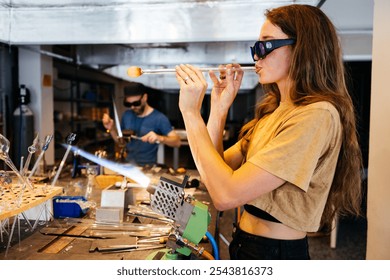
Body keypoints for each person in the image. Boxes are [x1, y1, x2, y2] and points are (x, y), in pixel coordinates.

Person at [175, 4, 363, 260]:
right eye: (256, 48)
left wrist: (190, 114)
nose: (256, 57)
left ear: (302, 48)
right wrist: (218, 111)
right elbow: (215, 175)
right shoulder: (275, 112)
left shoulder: (316, 115)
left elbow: (225, 196)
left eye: (265, 46)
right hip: (245, 242)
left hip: (275, 253)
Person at [102, 82, 180, 166]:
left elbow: (177, 142)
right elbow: (121, 143)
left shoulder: (159, 118)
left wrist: (160, 138)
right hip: (128, 164)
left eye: (136, 103)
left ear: (145, 98)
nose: (132, 107)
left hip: (148, 166)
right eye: (128, 104)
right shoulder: (127, 115)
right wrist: (112, 129)